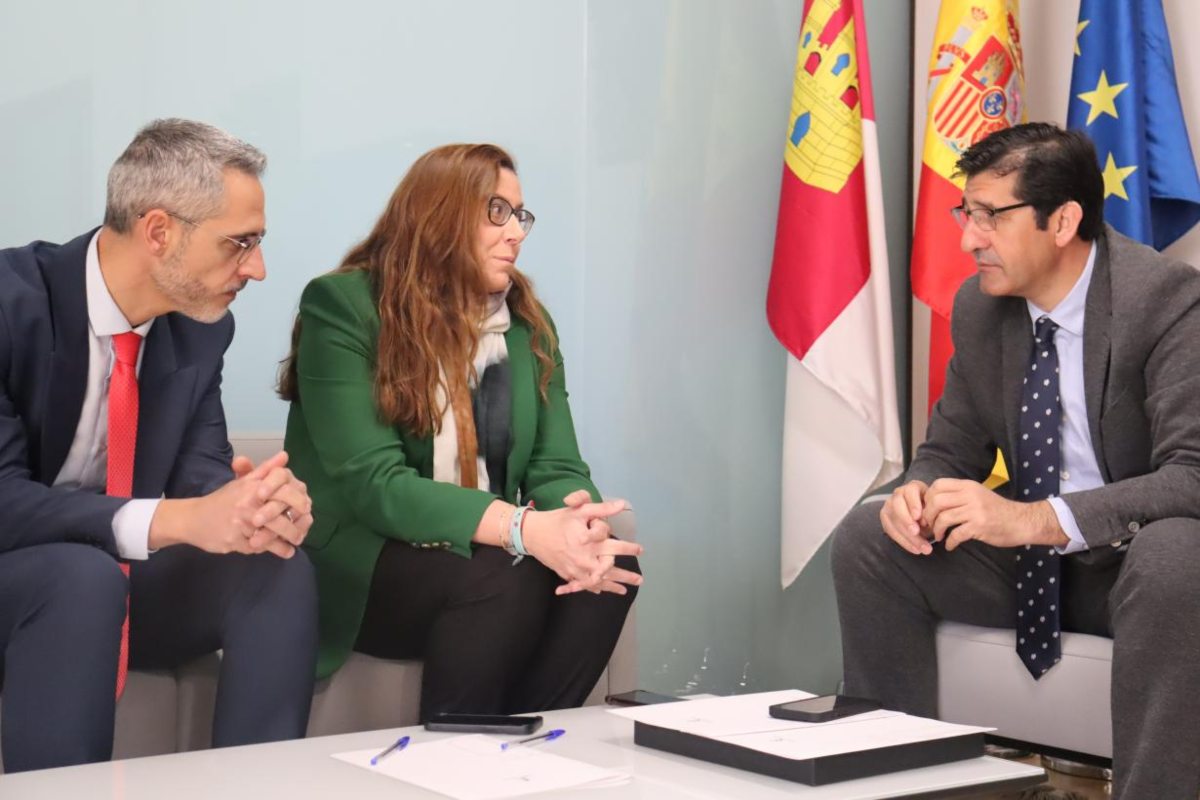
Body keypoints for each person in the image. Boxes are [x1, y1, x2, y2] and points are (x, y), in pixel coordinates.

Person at [831, 122, 1200, 798]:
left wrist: (1033, 520)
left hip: (1134, 569)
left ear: (1063, 221)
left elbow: (1192, 476)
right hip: (1032, 570)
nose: (969, 240)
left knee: (1177, 552)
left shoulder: (1167, 301)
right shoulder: (979, 306)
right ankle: (893, 783)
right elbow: (949, 449)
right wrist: (918, 492)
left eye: (990, 217)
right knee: (870, 536)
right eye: (965, 214)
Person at [278, 143, 642, 720]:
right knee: (500, 575)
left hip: (481, 550)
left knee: (610, 575)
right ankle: (458, 751)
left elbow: (555, 465)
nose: (515, 233)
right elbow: (376, 484)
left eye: (519, 216)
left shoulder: (527, 323)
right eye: (497, 212)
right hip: (367, 560)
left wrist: (582, 526)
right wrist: (522, 528)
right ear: (439, 214)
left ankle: (521, 743)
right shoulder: (344, 306)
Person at [0, 119, 318, 772]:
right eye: (240, 243)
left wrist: (250, 509)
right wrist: (177, 519)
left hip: (106, 582)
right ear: (158, 232)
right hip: (28, 576)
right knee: (80, 576)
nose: (257, 269)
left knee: (275, 565)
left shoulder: (200, 328)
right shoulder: (10, 304)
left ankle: (256, 787)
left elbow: (201, 470)